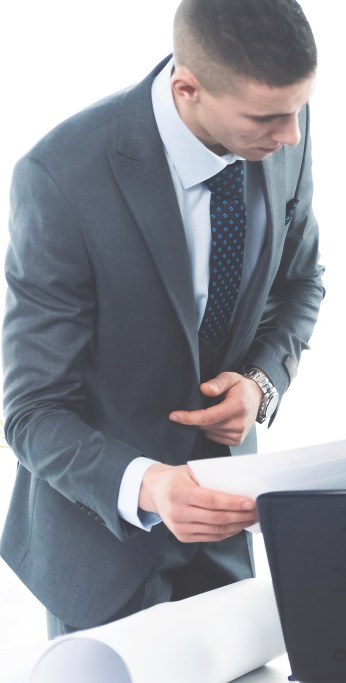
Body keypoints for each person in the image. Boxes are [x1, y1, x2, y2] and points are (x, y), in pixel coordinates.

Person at [1, 0, 325, 636]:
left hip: (229, 540)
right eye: (267, 117)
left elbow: (301, 283)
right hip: (101, 552)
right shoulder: (61, 177)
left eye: (297, 110)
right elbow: (32, 412)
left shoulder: (283, 129)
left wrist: (261, 383)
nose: (288, 135)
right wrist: (151, 487)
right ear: (188, 88)